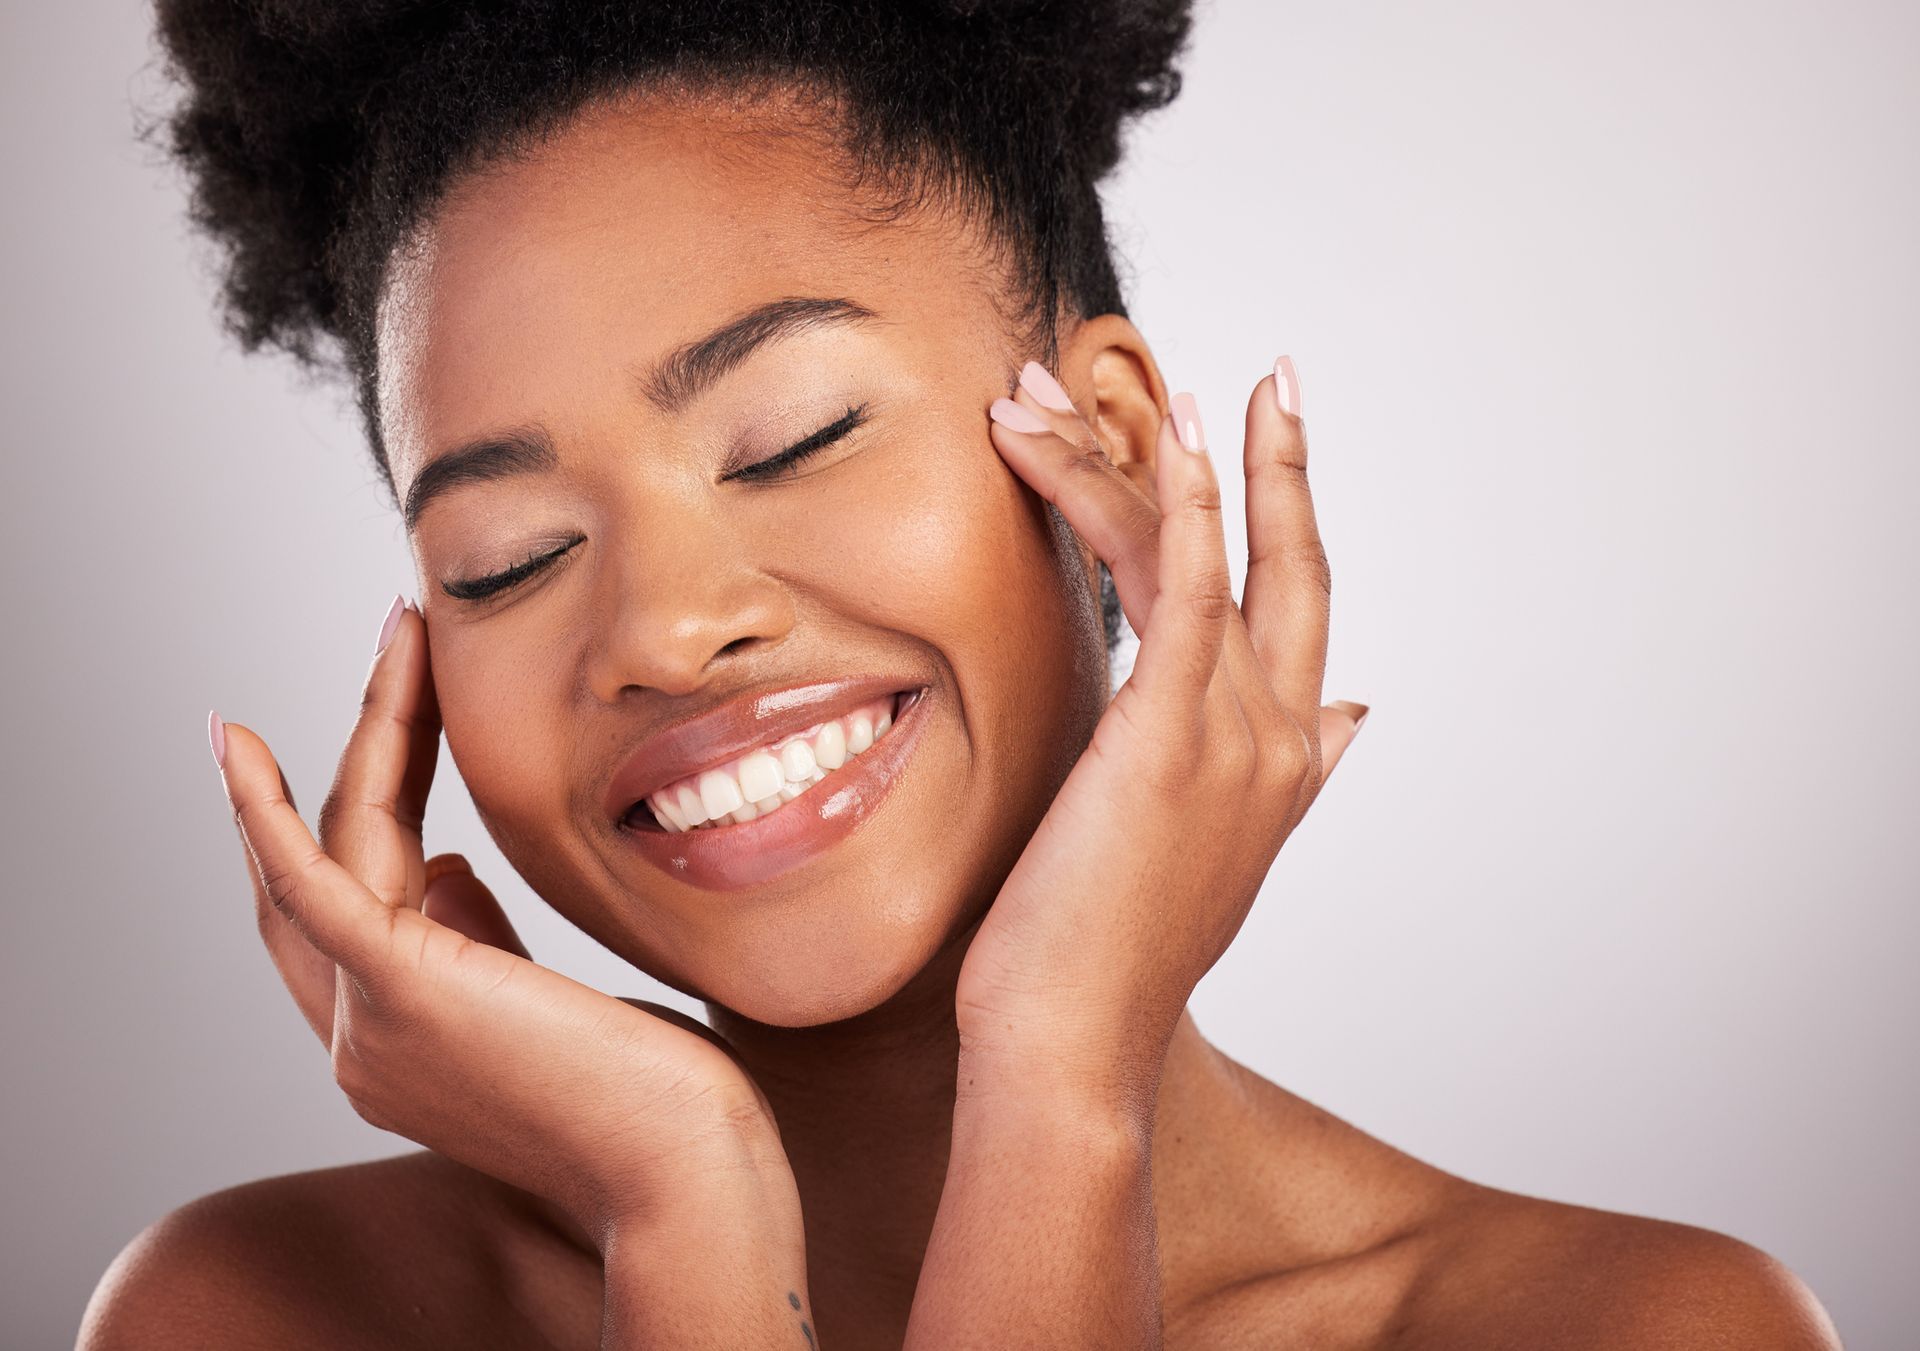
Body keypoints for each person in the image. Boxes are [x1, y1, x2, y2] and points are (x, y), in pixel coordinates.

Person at [81, 2, 1841, 1346]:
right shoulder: (264, 1312)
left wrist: (1062, 1075)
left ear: (1113, 449)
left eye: (795, 437)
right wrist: (683, 1205)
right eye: (508, 561)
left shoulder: (1624, 1331)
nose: (665, 633)